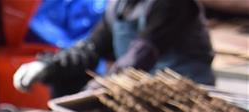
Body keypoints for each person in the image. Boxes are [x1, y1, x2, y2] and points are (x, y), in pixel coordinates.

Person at [13, 0, 215, 98]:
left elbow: (140, 57)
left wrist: (96, 89)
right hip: (142, 94)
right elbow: (91, 48)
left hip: (184, 95)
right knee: (65, 77)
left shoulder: (170, 4)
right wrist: (48, 66)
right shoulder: (119, 6)